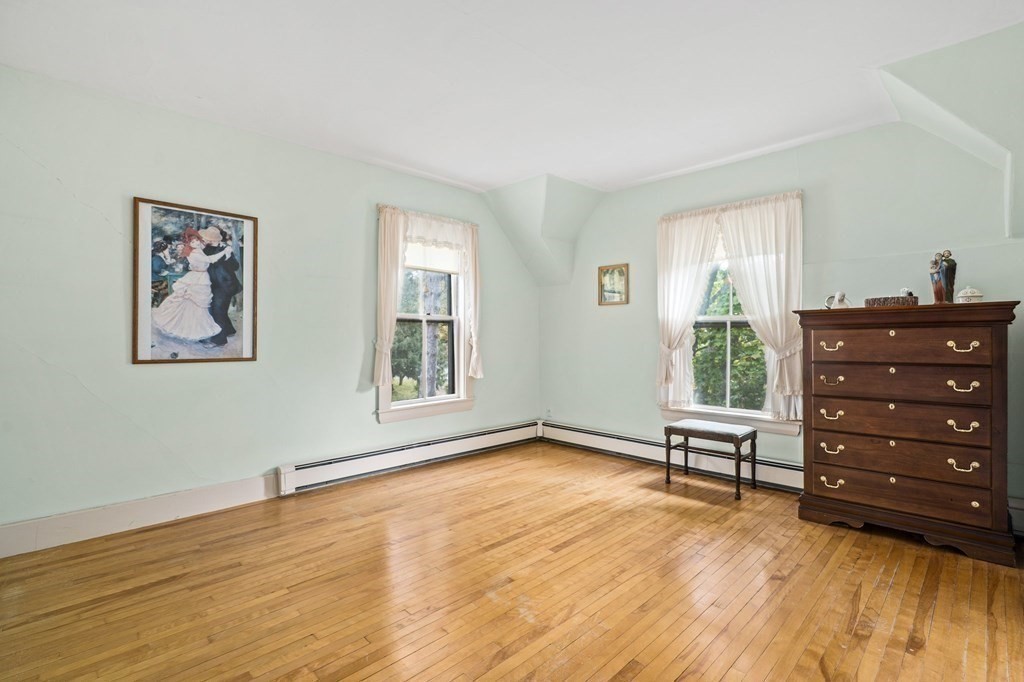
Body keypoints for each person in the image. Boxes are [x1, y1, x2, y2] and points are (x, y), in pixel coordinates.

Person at [151, 228, 233, 341]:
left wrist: (223, 246)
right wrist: (224, 252)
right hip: (197, 278)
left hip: (201, 277)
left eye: (197, 240)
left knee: (198, 305)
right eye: (192, 242)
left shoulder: (198, 249)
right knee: (193, 303)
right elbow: (210, 259)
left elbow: (208, 247)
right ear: (188, 244)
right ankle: (191, 329)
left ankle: (199, 328)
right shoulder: (194, 253)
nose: (196, 243)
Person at [199, 226, 243, 347]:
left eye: (207, 238)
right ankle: (229, 330)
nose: (204, 239)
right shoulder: (205, 250)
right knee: (217, 310)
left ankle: (218, 340)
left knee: (218, 310)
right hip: (212, 284)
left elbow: (235, 267)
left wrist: (228, 257)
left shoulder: (226, 249)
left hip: (225, 286)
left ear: (213, 239)